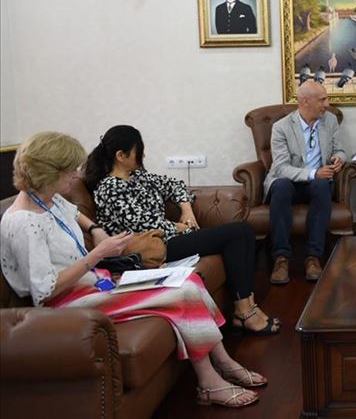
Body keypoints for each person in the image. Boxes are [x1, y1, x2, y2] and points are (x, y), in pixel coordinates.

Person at [1, 132, 265, 408]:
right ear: (47, 173)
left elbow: (75, 214)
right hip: (67, 304)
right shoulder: (24, 223)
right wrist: (96, 255)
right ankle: (209, 383)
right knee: (184, 292)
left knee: (189, 279)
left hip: (94, 282)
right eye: (70, 171)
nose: (77, 175)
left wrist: (95, 229)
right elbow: (45, 291)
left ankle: (223, 361)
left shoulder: (49, 199)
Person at [84, 125, 280, 336]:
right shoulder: (109, 187)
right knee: (237, 233)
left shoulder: (138, 177)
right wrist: (179, 227)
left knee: (245, 232)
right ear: (121, 156)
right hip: (150, 246)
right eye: (137, 151)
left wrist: (187, 211)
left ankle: (247, 306)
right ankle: (244, 313)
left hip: (168, 238)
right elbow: (139, 224)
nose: (143, 155)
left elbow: (175, 185)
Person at [265, 82, 346, 284]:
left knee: (322, 185)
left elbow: (340, 149)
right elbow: (281, 168)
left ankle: (313, 257)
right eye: (322, 100)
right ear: (305, 102)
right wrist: (313, 173)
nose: (327, 104)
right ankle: (281, 258)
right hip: (289, 181)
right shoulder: (281, 127)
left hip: (317, 184)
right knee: (281, 186)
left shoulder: (330, 120)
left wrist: (339, 158)